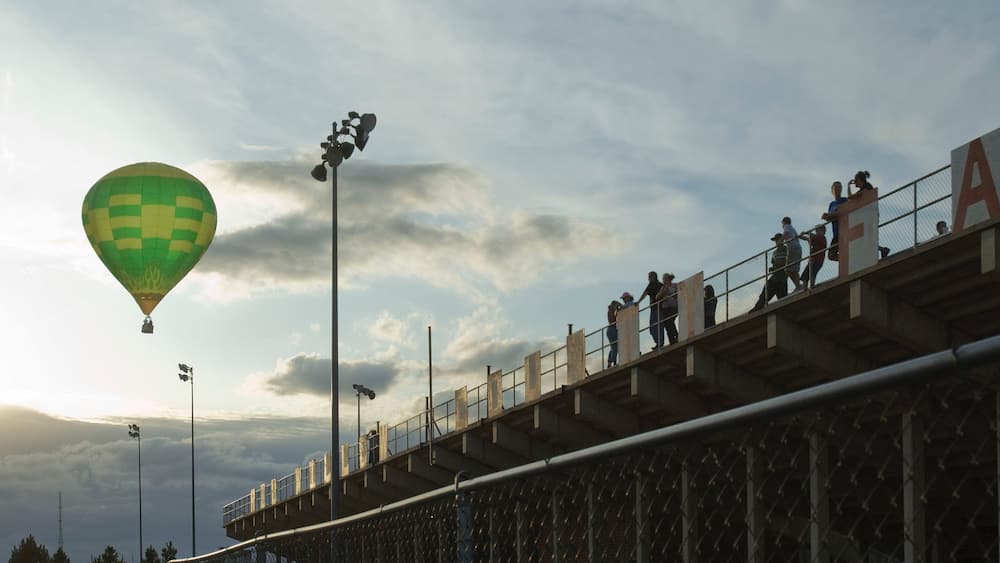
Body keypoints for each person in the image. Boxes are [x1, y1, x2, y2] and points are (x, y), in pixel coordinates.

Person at [751, 234, 789, 312]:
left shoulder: (787, 249)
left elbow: (786, 262)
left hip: (782, 278)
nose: (776, 242)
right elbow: (774, 264)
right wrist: (772, 268)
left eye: (777, 240)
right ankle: (756, 310)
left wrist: (776, 267)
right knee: (764, 296)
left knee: (783, 301)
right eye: (775, 240)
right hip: (775, 277)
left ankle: (756, 309)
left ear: (782, 240)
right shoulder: (774, 252)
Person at [821, 181, 848, 261]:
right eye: (836, 188)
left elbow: (843, 212)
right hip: (836, 233)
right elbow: (830, 217)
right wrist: (826, 216)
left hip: (844, 230)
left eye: (839, 188)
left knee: (836, 252)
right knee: (831, 255)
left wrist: (831, 215)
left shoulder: (845, 200)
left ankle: (849, 260)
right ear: (832, 191)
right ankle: (847, 260)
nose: (838, 190)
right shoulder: (832, 204)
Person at [637, 271, 664, 350]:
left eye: (649, 277)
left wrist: (639, 302)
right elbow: (645, 293)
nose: (648, 278)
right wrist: (638, 302)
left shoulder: (658, 284)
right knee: (653, 328)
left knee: (658, 326)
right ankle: (659, 342)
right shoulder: (652, 285)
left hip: (659, 307)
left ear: (653, 277)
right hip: (654, 308)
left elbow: (645, 293)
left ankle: (660, 343)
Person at [655, 272, 679, 345]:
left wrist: (671, 295)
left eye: (665, 279)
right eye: (663, 279)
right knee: (666, 324)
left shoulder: (675, 285)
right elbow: (657, 297)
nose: (663, 280)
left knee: (670, 321)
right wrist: (663, 292)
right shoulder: (663, 287)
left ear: (668, 279)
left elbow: (678, 293)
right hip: (665, 307)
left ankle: (676, 335)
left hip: (673, 306)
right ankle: (672, 340)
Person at [782, 217, 803, 292]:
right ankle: (798, 286)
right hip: (797, 248)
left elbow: (786, 233)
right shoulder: (792, 228)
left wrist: (780, 241)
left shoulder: (786, 226)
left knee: (788, 269)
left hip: (793, 248)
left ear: (784, 222)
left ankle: (798, 286)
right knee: (794, 269)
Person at [606, 300, 622, 367]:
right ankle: (614, 363)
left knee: (613, 347)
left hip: (611, 330)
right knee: (615, 348)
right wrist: (619, 308)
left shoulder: (611, 310)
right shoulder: (612, 309)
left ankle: (610, 363)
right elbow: (613, 319)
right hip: (612, 329)